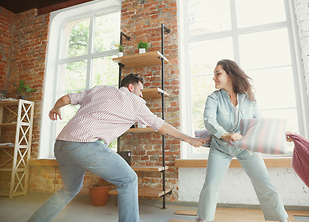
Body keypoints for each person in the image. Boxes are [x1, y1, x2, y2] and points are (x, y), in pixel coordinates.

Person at [28, 73, 205, 222]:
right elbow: (160, 125)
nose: (141, 95)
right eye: (140, 91)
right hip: (84, 144)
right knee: (128, 179)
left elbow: (66, 98)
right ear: (130, 87)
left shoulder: (100, 89)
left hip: (61, 144)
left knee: (68, 190)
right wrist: (189, 139)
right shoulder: (135, 102)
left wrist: (55, 108)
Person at [195, 60, 289, 222]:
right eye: (214, 74)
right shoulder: (213, 98)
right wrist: (225, 135)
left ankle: (281, 219)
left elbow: (260, 124)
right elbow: (209, 121)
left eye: (217, 73)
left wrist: (281, 133)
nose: (214, 78)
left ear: (229, 75)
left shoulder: (249, 100)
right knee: (210, 185)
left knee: (264, 184)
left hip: (246, 148)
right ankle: (203, 219)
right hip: (220, 148)